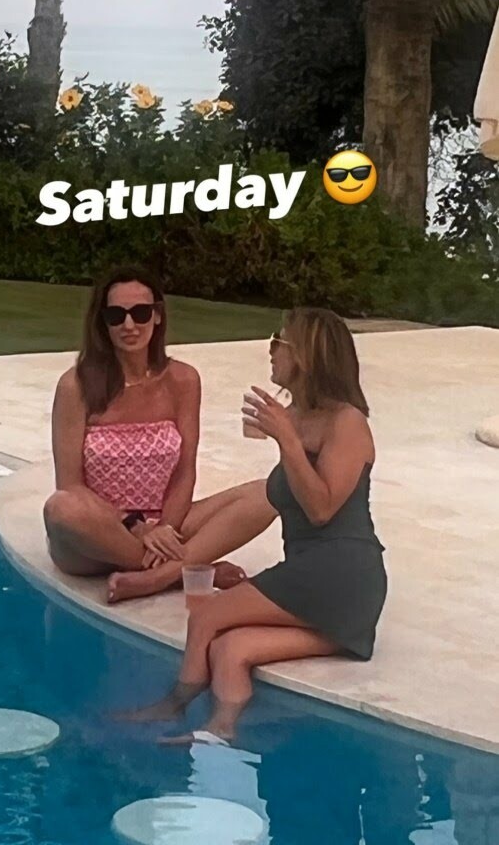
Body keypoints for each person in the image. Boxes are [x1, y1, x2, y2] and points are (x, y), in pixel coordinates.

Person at [120, 307, 388, 744]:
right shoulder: (298, 417)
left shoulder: (348, 422)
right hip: (321, 583)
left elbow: (322, 509)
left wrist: (287, 439)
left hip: (341, 573)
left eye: (280, 341)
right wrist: (287, 432)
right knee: (231, 648)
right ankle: (219, 730)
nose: (271, 349)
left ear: (307, 356)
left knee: (207, 617)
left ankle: (170, 706)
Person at [44, 267, 276, 583]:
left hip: (168, 524)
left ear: (157, 315)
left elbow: (184, 470)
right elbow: (70, 484)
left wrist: (166, 527)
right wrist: (137, 528)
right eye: (116, 315)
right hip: (101, 532)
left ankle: (154, 573)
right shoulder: (76, 386)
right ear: (102, 322)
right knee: (61, 508)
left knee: (269, 493)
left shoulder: (183, 380)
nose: (129, 325)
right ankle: (180, 573)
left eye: (140, 313)